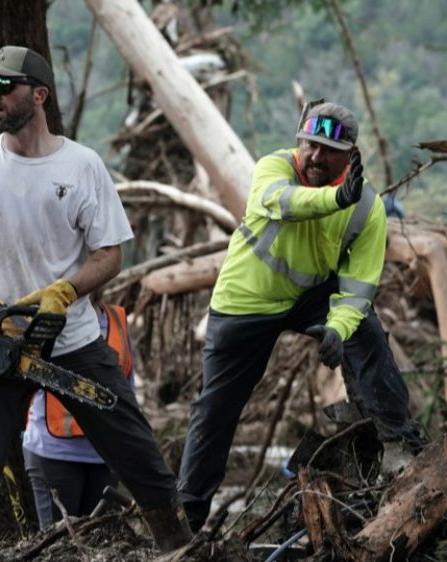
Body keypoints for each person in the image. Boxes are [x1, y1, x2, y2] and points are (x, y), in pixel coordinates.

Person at [0, 46, 191, 560]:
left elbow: (109, 253)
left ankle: (181, 547)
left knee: (137, 454)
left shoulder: (81, 166)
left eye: (5, 86)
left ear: (39, 95)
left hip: (69, 341)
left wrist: (66, 291)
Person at [177, 101, 424, 531]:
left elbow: (359, 288)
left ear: (351, 156)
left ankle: (398, 439)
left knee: (366, 331)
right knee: (216, 408)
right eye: (310, 145)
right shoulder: (274, 169)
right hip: (246, 300)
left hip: (311, 295)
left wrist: (336, 329)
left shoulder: (367, 206)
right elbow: (283, 202)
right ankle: (187, 515)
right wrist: (334, 197)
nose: (315, 157)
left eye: (329, 150)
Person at [22, 301, 135, 529]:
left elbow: (127, 385)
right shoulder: (46, 316)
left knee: (99, 544)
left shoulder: (116, 318)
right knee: (58, 544)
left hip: (106, 455)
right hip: (54, 451)